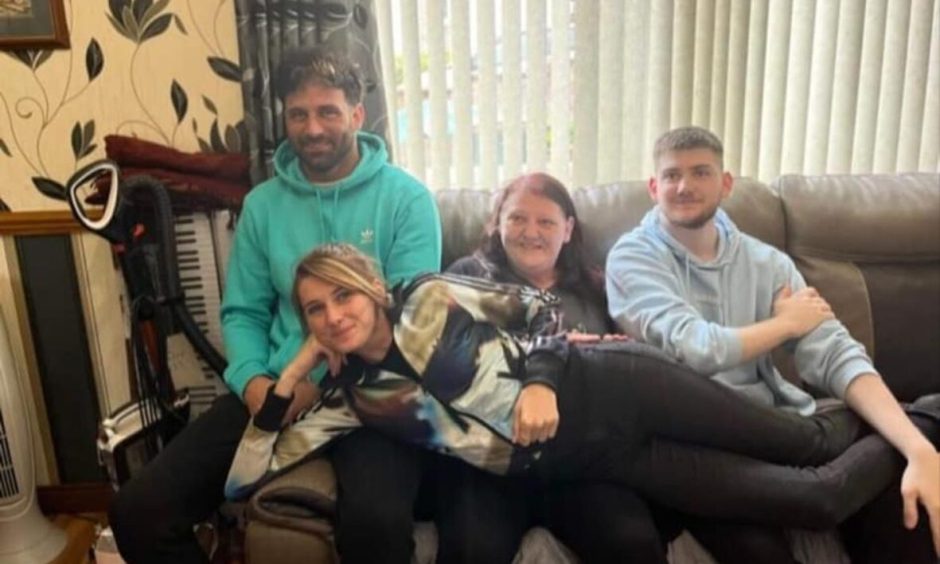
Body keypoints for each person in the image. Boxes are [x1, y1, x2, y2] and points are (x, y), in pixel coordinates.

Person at [224, 243, 894, 535]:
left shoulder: (429, 296)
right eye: (315, 310)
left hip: (617, 387)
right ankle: (924, 426)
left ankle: (906, 422)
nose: (334, 315)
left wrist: (539, 385)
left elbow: (541, 309)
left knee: (805, 442)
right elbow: (244, 481)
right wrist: (291, 374)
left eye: (344, 295)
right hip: (605, 461)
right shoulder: (356, 403)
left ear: (371, 288)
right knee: (815, 499)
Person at [108, 46, 442, 564]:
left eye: (328, 111)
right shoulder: (263, 205)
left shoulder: (407, 200)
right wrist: (254, 383)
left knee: (376, 525)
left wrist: (315, 383)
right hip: (276, 390)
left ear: (356, 113)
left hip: (371, 397)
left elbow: (409, 321)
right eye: (298, 115)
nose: (312, 128)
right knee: (138, 511)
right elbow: (242, 312)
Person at [605, 125, 940, 561]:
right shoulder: (632, 257)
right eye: (671, 176)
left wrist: (918, 450)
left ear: (726, 184)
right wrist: (785, 326)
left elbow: (834, 353)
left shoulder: (766, 262)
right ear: (654, 187)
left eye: (701, 172)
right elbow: (694, 349)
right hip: (693, 443)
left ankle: (923, 426)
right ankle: (931, 415)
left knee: (902, 504)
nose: (684, 186)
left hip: (774, 428)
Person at [441, 172, 668, 563]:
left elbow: (633, 367)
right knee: (472, 548)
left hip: (583, 464)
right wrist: (555, 349)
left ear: (568, 230)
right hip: (491, 466)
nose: (532, 232)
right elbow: (443, 362)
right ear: (497, 225)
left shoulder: (596, 287)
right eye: (517, 219)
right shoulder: (466, 278)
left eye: (546, 221)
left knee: (633, 542)